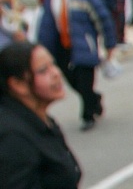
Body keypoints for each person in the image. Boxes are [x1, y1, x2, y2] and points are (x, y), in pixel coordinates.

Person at [37, 0, 117, 131]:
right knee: (72, 80)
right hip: (61, 47)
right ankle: (93, 99)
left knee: (85, 80)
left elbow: (103, 19)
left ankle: (87, 115)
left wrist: (109, 44)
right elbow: (46, 25)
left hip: (83, 45)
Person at [0, 42, 81, 188]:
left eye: (53, 64)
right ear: (18, 84)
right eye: (43, 70)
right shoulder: (13, 137)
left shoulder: (40, 119)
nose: (56, 73)